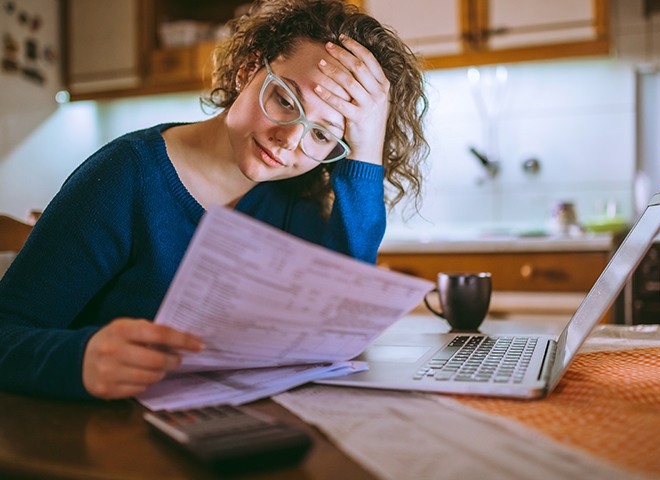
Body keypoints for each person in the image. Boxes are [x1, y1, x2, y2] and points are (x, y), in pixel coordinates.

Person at [0, 0, 429, 400]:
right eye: (284, 99)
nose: (289, 141)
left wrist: (367, 149)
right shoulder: (125, 176)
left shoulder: (292, 200)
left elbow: (341, 330)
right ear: (247, 70)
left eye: (322, 135)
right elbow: (8, 330)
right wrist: (80, 358)